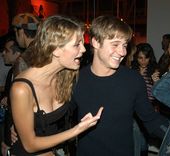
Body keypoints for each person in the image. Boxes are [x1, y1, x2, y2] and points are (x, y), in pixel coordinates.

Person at [71, 15, 169, 156]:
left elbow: (151, 120)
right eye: (115, 44)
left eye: (124, 45)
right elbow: (60, 120)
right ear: (96, 42)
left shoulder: (133, 80)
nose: (123, 52)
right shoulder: (77, 79)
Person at [9, 15, 103, 155]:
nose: (83, 49)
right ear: (55, 49)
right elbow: (29, 145)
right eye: (77, 44)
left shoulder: (64, 76)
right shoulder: (22, 89)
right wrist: (76, 130)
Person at [131, 42, 160, 156]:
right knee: (136, 136)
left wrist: (156, 83)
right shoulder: (132, 70)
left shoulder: (154, 71)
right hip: (134, 109)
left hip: (149, 108)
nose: (143, 61)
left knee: (144, 138)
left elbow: (156, 95)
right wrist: (138, 76)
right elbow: (130, 91)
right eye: (140, 58)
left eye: (146, 58)